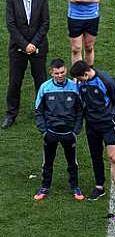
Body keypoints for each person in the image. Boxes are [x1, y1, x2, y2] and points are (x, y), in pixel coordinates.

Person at [70, 60, 115, 206]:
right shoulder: (80, 82)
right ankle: (99, 186)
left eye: (80, 78)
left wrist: (109, 114)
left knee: (113, 157)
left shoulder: (105, 80)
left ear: (86, 74)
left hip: (108, 124)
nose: (78, 81)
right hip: (91, 125)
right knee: (95, 156)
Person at [33, 59, 83, 201]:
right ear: (51, 73)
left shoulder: (74, 87)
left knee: (72, 162)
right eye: (57, 73)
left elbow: (80, 110)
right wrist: (43, 130)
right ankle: (44, 187)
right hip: (51, 133)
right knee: (48, 162)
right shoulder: (45, 87)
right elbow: (38, 110)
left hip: (69, 133)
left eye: (62, 72)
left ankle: (75, 187)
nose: (60, 75)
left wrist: (76, 130)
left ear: (66, 70)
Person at [5, 0, 49, 129]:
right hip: (18, 49)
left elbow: (45, 23)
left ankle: (43, 111)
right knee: (15, 82)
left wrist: (34, 44)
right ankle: (11, 114)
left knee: (41, 81)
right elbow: (11, 25)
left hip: (38, 48)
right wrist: (25, 45)